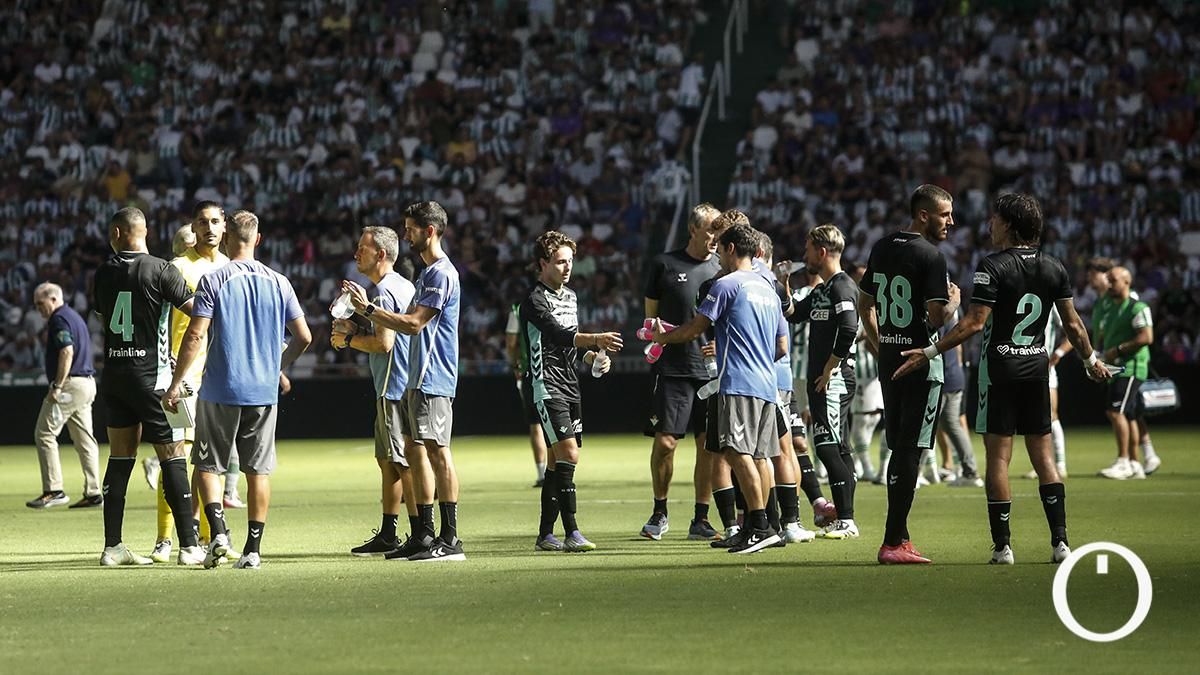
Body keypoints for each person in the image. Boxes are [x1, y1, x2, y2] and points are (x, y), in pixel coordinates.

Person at [894, 193, 1111, 565]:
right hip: (1036, 370)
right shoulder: (1054, 266)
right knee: (1044, 458)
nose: (989, 225)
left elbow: (974, 323)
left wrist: (930, 351)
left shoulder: (992, 266)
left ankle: (1003, 546)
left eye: (995, 219)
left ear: (1009, 224)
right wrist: (1091, 360)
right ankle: (1060, 543)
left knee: (999, 458)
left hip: (999, 370)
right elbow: (1073, 325)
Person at [163, 209, 312, 569]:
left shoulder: (215, 279)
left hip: (219, 387)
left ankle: (217, 533)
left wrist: (175, 382)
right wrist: (276, 367)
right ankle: (253, 551)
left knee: (208, 464)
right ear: (258, 239)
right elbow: (304, 337)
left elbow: (196, 334)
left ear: (227, 238)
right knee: (258, 471)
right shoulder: (280, 282)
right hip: (262, 392)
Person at [653, 224, 788, 554]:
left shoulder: (726, 285)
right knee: (757, 455)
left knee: (733, 452)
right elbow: (781, 345)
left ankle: (759, 526)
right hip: (767, 384)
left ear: (729, 249)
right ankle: (759, 527)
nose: (716, 256)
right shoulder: (768, 289)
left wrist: (661, 338)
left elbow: (695, 329)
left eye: (719, 250)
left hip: (737, 382)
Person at [343, 201, 465, 562]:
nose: (406, 234)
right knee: (415, 450)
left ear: (429, 231)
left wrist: (367, 310)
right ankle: (424, 534)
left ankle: (451, 538)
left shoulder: (442, 273)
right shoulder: (427, 274)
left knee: (437, 453)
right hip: (416, 377)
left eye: (411, 228)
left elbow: (414, 324)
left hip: (434, 375)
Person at [93, 207, 204, 566]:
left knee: (120, 457)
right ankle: (189, 545)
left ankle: (113, 547)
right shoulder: (161, 269)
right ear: (145, 232)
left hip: (114, 376)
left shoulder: (103, 272)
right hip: (152, 378)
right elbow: (196, 310)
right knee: (172, 455)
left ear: (116, 233)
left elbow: (104, 317)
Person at [858, 184, 960, 564]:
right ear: (923, 215)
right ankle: (892, 542)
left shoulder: (882, 247)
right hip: (920, 363)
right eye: (945, 214)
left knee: (899, 446)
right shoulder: (931, 256)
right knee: (910, 451)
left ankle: (899, 536)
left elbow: (864, 303)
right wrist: (954, 303)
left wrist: (879, 343)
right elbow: (936, 319)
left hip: (890, 362)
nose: (951, 221)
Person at [521, 230, 624, 552]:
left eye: (570, 261)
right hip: (545, 385)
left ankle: (545, 536)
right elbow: (557, 334)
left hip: (570, 384)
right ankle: (573, 532)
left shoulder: (570, 297)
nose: (567, 268)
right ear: (543, 263)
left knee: (556, 462)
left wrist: (592, 356)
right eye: (560, 262)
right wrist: (595, 339)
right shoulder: (534, 300)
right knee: (569, 453)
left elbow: (572, 345)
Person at [149, 205, 235, 565]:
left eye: (215, 222)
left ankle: (205, 535)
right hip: (183, 377)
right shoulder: (178, 268)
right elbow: (160, 319)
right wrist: (166, 363)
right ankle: (166, 538)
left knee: (210, 460)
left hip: (220, 376)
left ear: (225, 226)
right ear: (195, 228)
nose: (210, 228)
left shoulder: (230, 267)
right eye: (203, 222)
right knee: (176, 456)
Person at [639, 202, 723, 542]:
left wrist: (721, 344)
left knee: (708, 446)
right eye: (710, 230)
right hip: (673, 367)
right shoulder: (663, 264)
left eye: (719, 231)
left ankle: (700, 519)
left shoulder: (723, 268)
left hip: (711, 370)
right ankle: (659, 512)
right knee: (667, 443)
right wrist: (653, 332)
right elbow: (649, 321)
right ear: (693, 230)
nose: (716, 237)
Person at [331, 226, 417, 556]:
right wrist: (358, 325)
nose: (356, 254)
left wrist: (347, 340)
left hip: (392, 388)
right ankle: (389, 532)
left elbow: (384, 344)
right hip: (400, 384)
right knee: (388, 461)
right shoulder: (400, 285)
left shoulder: (382, 293)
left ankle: (417, 531)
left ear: (380, 255)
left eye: (361, 249)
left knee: (401, 462)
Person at [781, 224, 860, 540]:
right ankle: (846, 517)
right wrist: (783, 283)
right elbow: (792, 313)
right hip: (822, 380)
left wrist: (829, 368)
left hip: (834, 380)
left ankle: (847, 520)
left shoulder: (842, 286)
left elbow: (850, 327)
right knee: (837, 448)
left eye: (808, 249)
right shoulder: (821, 291)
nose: (805, 255)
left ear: (822, 252)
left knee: (827, 448)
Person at [26, 281, 101, 510]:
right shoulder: (74, 316)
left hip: (70, 385)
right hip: (88, 383)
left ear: (53, 299)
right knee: (85, 440)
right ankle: (94, 491)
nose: (39, 309)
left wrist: (57, 386)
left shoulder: (59, 319)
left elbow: (66, 351)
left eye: (41, 304)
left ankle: (54, 490)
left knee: (44, 433)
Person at [1086, 259, 1161, 477]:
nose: (1109, 284)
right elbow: (1103, 335)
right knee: (1129, 415)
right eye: (1108, 280)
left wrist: (1116, 350)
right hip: (1117, 367)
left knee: (1114, 411)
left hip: (1130, 366)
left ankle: (1123, 461)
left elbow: (1146, 337)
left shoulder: (1135, 306)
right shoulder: (1110, 306)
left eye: (1113, 280)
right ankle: (1137, 464)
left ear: (1127, 281)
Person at [937, 310, 983, 487]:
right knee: (952, 425)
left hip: (942, 378)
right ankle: (970, 472)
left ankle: (915, 473)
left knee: (926, 427)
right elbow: (959, 349)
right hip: (957, 376)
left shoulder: (936, 318)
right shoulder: (951, 319)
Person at [506, 302, 549, 488]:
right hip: (556, 371)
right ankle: (559, 474)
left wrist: (515, 365)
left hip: (531, 372)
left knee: (536, 424)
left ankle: (542, 474)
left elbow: (510, 343)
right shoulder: (556, 301)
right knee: (556, 424)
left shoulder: (517, 309)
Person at [846, 263, 882, 484]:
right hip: (858, 367)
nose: (862, 281)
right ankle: (866, 465)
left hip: (874, 369)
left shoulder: (873, 302)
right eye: (859, 277)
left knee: (874, 416)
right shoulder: (852, 302)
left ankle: (860, 461)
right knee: (861, 418)